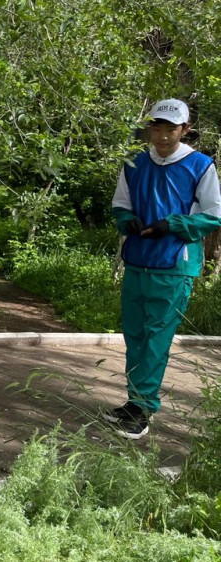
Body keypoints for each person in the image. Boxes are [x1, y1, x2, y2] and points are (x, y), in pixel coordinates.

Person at [106, 98, 221, 439]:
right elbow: (120, 203)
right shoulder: (135, 163)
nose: (163, 135)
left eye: (171, 128)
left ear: (185, 129)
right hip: (139, 259)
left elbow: (213, 215)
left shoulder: (200, 165)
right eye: (157, 127)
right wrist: (126, 220)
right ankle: (133, 400)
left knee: (156, 338)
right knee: (135, 334)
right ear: (150, 128)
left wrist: (171, 225)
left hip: (174, 264)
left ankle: (143, 408)